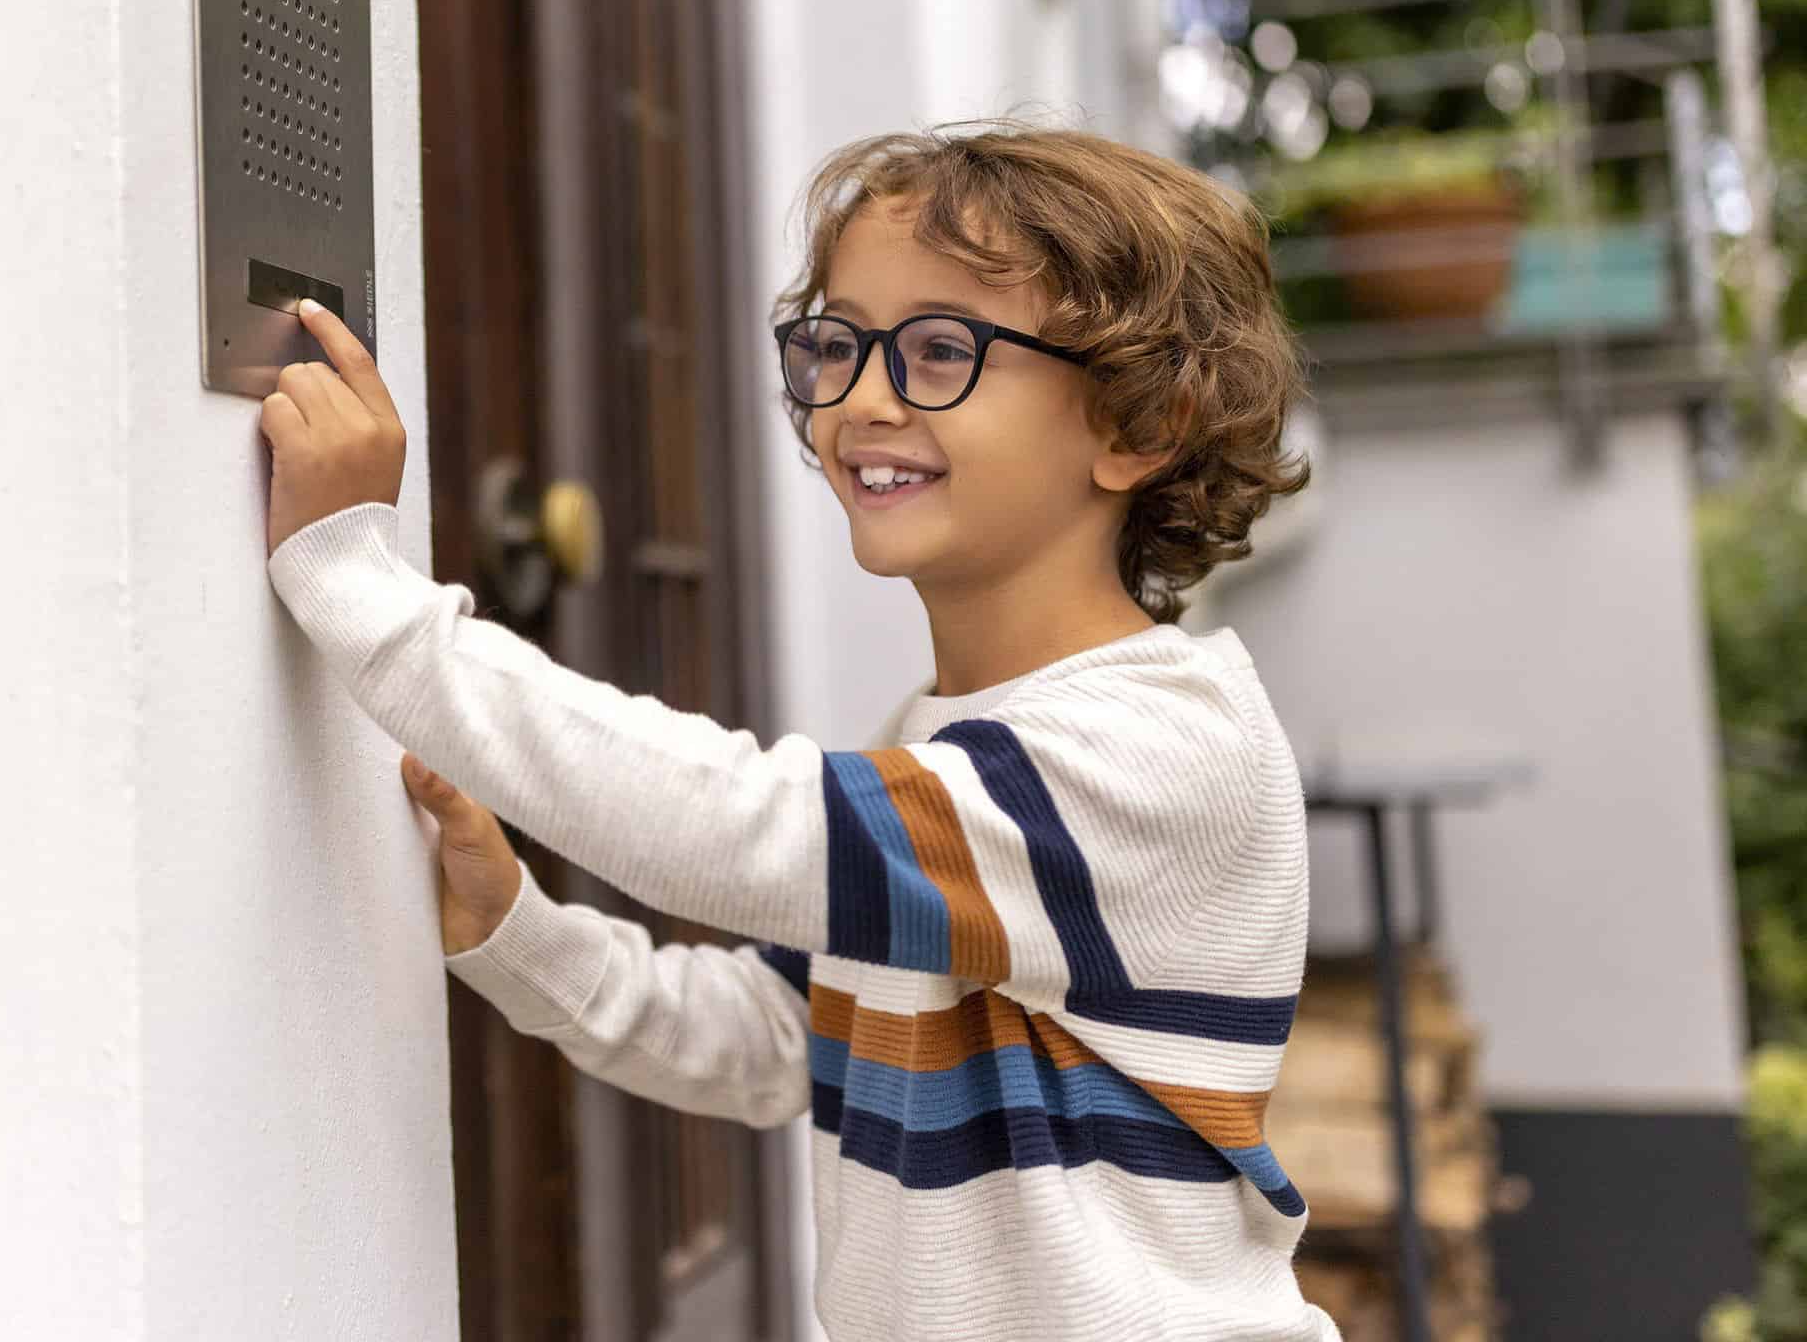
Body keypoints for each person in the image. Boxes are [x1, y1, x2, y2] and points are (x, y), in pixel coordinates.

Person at [258, 120, 1336, 1341]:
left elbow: (742, 825)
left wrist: (361, 588)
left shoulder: (1155, 747)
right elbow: (780, 1040)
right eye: (838, 344)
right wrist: (520, 936)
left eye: (940, 350)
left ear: (1141, 425)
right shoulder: (951, 746)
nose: (862, 399)